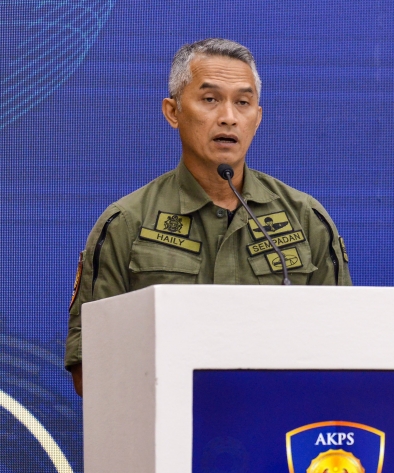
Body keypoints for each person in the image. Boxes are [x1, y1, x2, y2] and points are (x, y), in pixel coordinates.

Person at [65, 38, 351, 397]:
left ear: (257, 118)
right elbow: (89, 369)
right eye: (210, 99)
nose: (229, 116)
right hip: (165, 436)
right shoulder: (126, 223)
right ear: (173, 112)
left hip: (278, 430)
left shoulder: (306, 220)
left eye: (243, 103)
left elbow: (344, 353)